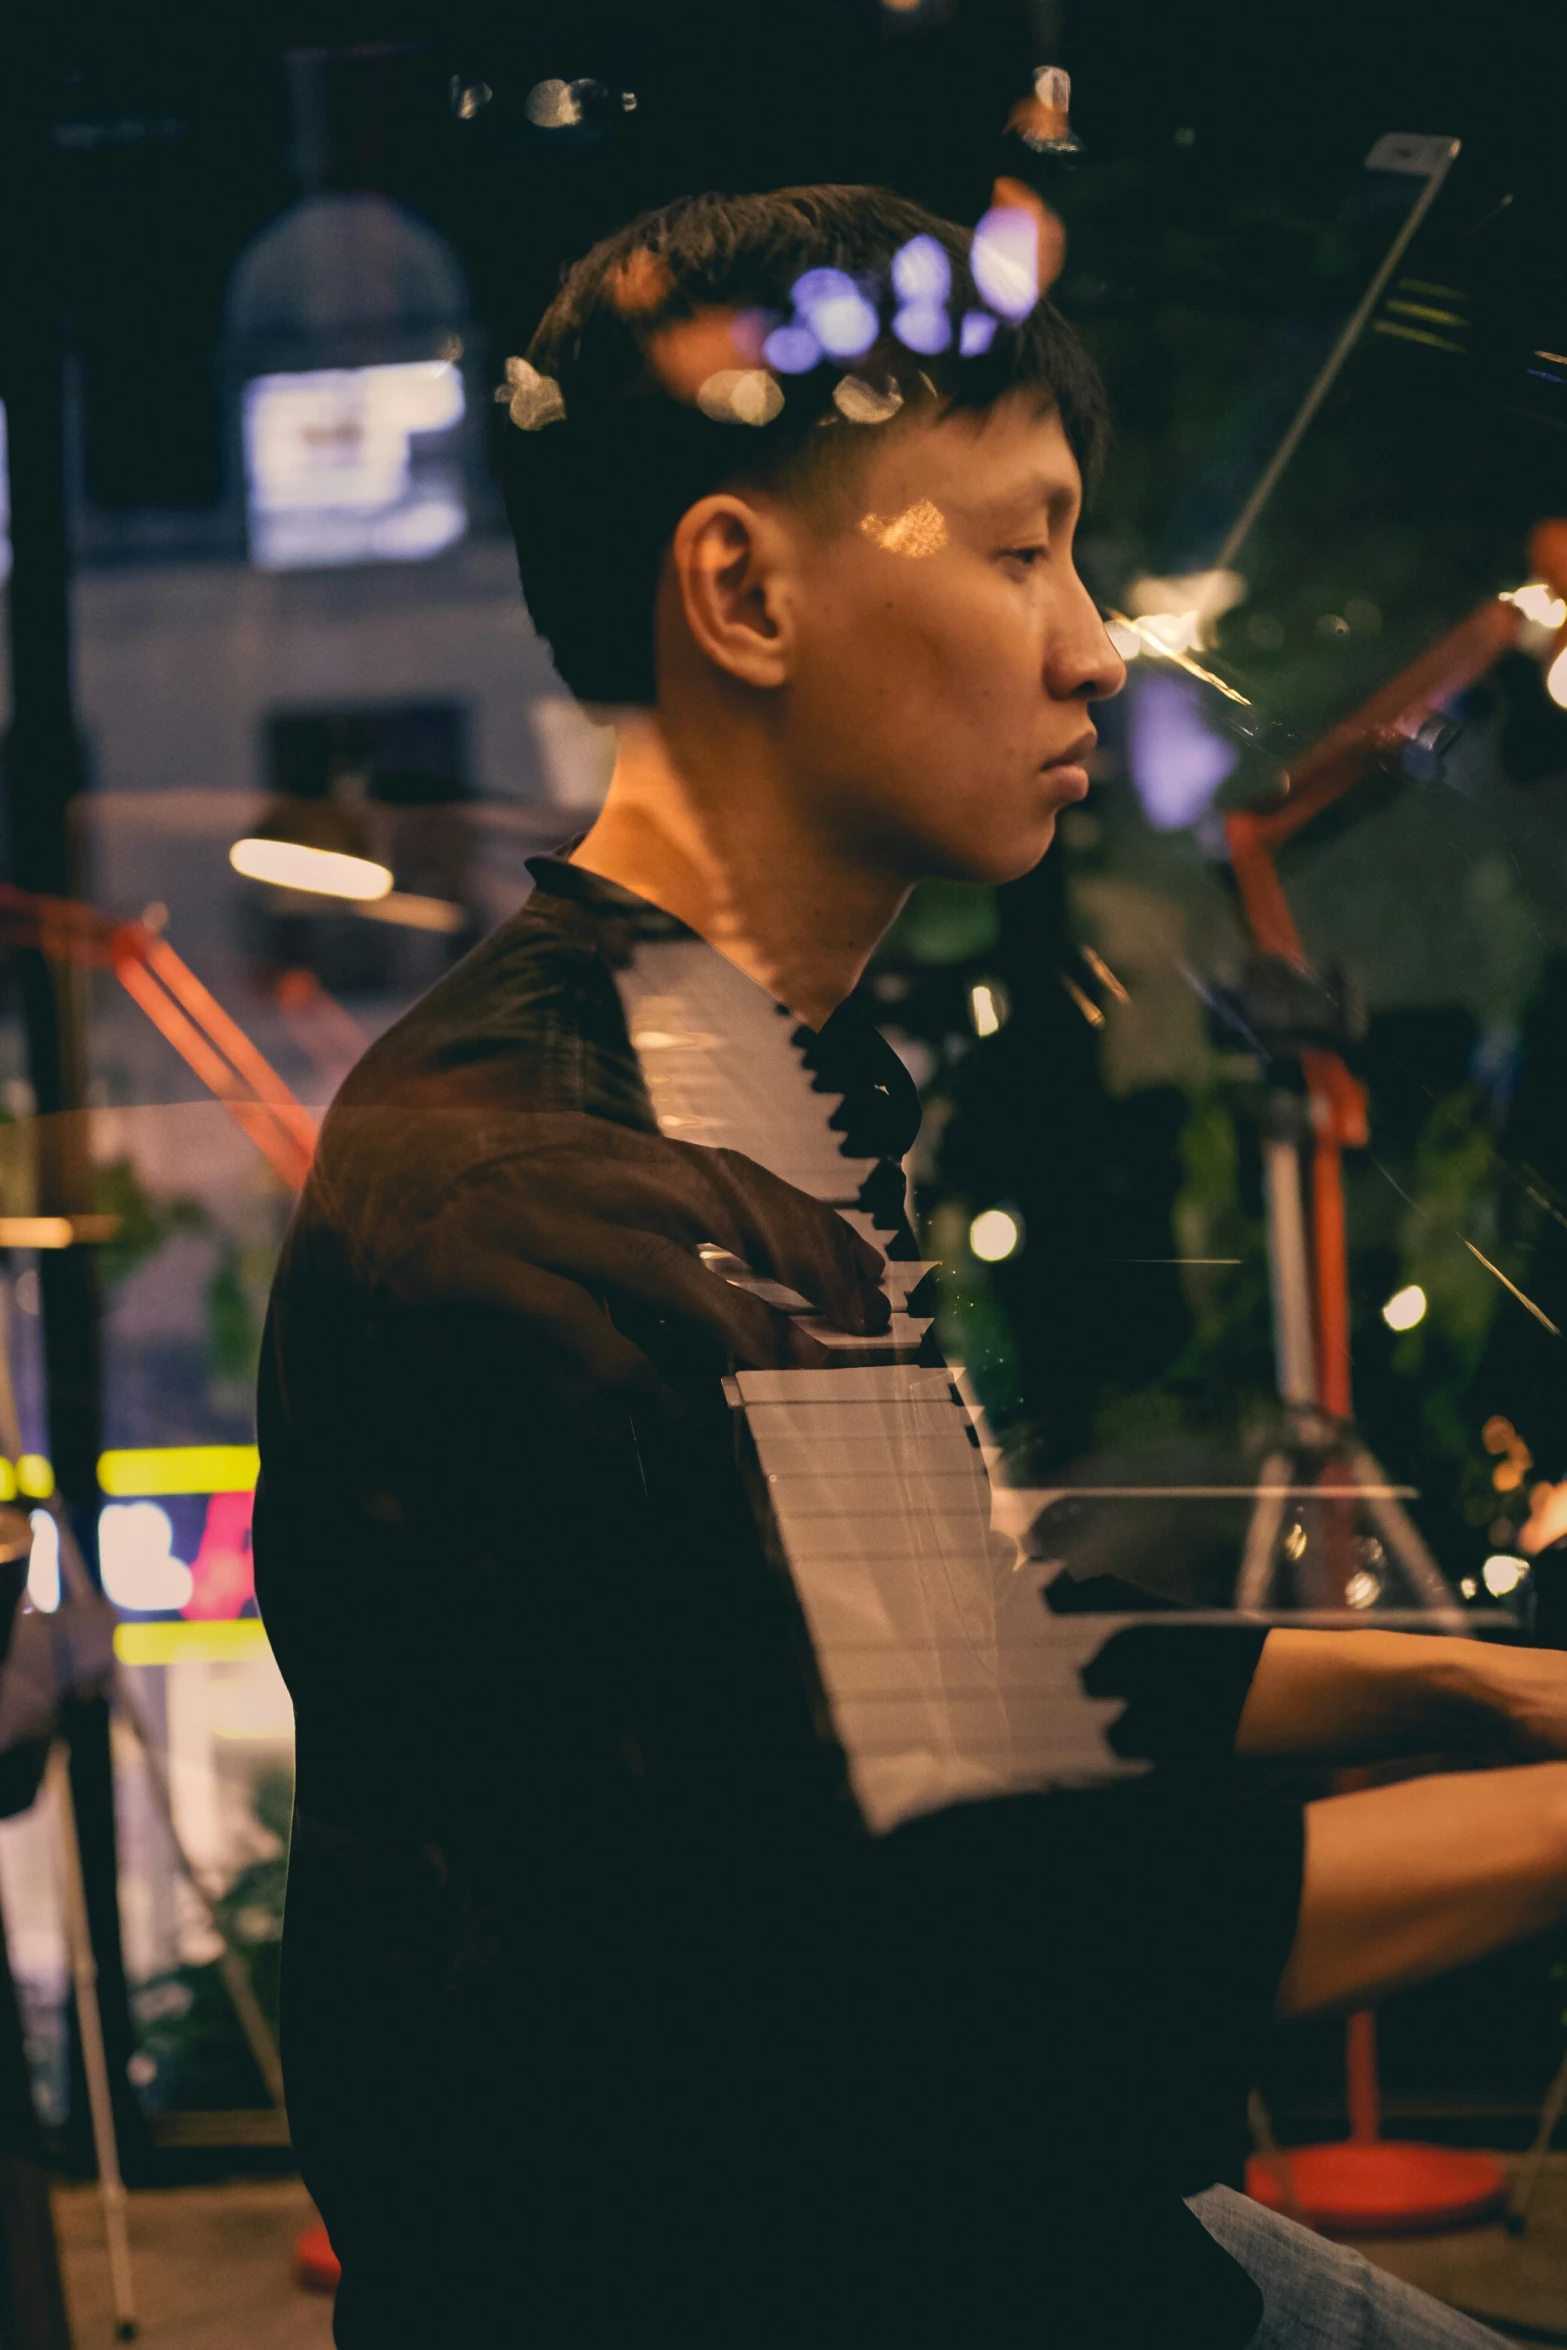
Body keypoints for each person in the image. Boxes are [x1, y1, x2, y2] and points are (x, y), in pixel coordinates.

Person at [255, 186, 1567, 2347]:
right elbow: (948, 1931)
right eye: (1021, 542)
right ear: (744, 590)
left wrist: (1457, 1678)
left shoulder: (707, 1064)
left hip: (971, 2223)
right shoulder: (544, 1193)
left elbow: (924, 1682)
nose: (1091, 642)